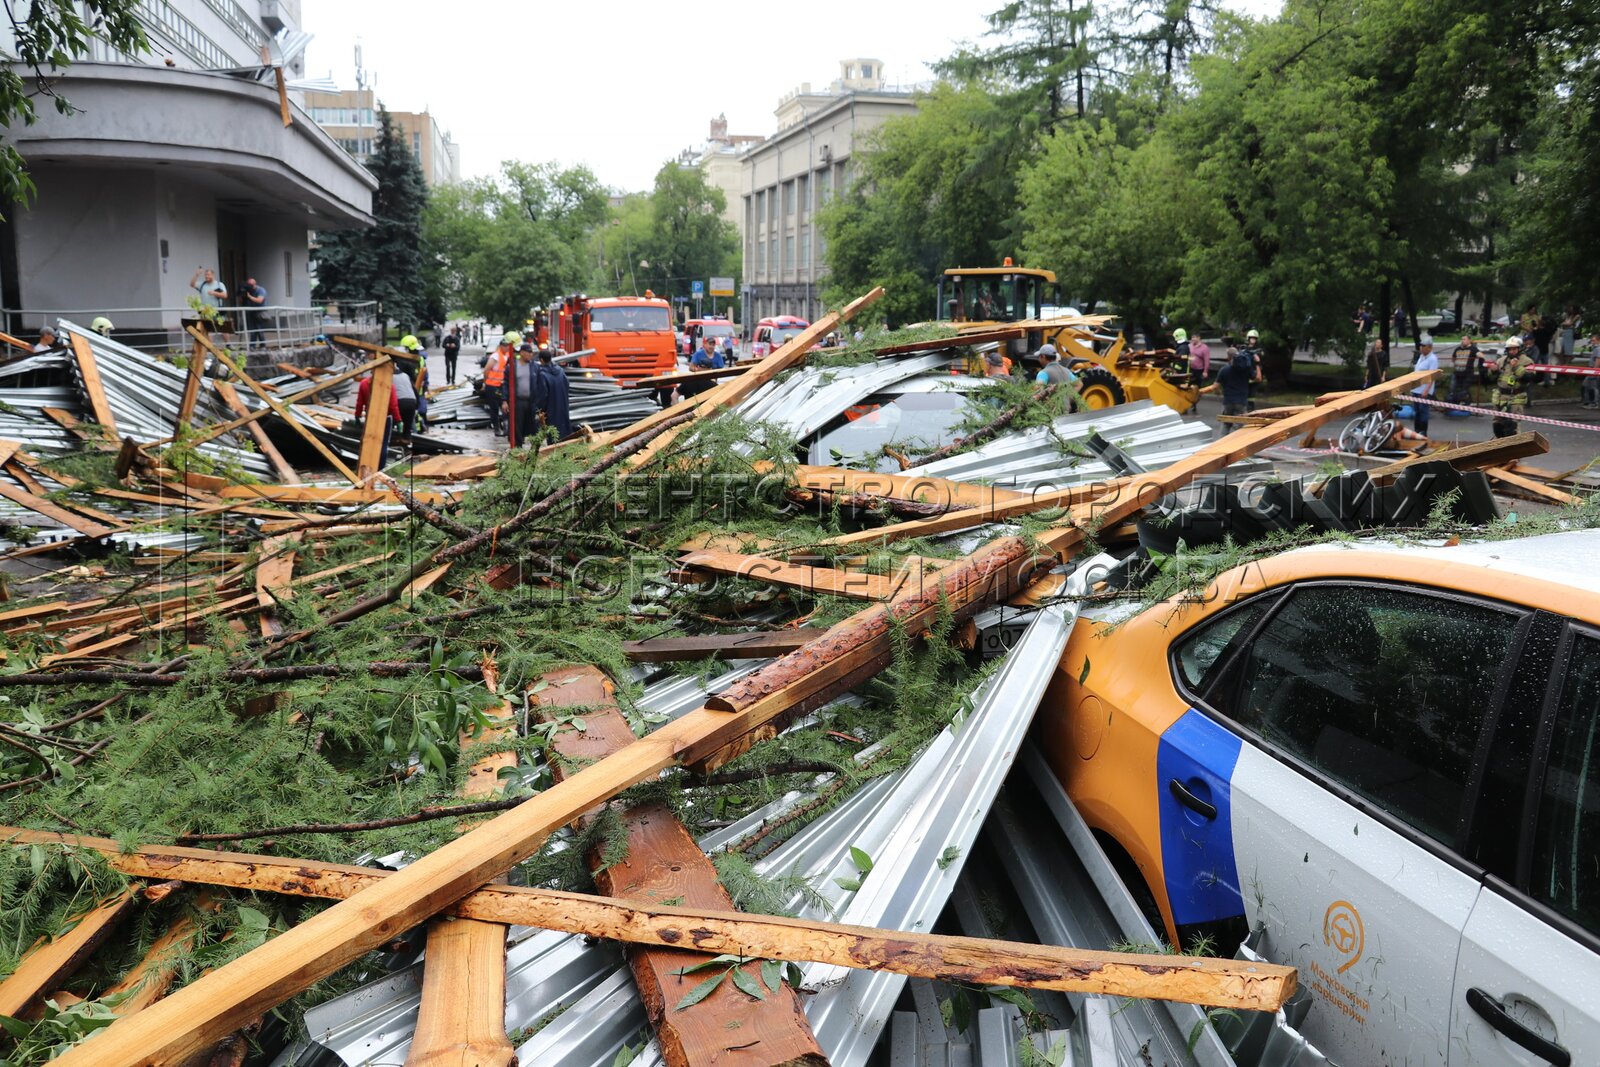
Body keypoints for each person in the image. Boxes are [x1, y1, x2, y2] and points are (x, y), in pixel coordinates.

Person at [1489, 336, 1535, 437]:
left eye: (1514, 349)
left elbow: (1528, 378)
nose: (1512, 351)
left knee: (1512, 427)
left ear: (1520, 348)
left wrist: (1516, 367)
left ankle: (1514, 449)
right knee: (1497, 425)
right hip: (1500, 397)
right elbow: (1490, 378)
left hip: (1515, 397)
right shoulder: (1501, 360)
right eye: (1510, 349)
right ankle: (1499, 448)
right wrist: (1493, 371)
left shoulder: (1527, 361)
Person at [354, 370, 401, 468]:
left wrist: (357, 416)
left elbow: (360, 402)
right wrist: (398, 420)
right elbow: (393, 405)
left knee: (369, 443)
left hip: (370, 417)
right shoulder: (388, 385)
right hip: (385, 418)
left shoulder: (364, 384)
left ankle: (368, 466)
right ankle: (380, 468)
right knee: (383, 444)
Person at [480, 331, 517, 436]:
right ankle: (497, 429)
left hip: (503, 386)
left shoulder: (508, 355)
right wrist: (485, 383)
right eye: (505, 346)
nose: (507, 348)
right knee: (494, 409)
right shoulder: (495, 356)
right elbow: (486, 370)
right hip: (492, 386)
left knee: (506, 408)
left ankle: (506, 428)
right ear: (501, 346)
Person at [507, 344, 540, 447]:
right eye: (528, 352)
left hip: (532, 402)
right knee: (518, 425)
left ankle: (535, 449)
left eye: (532, 353)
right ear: (521, 353)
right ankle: (518, 447)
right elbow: (505, 384)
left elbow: (539, 383)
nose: (531, 355)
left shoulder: (535, 366)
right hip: (518, 401)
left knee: (533, 426)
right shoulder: (513, 366)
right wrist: (504, 400)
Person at [537, 347, 571, 439]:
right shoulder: (560, 370)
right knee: (564, 433)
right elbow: (567, 385)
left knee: (553, 434)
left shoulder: (542, 374)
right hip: (563, 406)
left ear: (541, 360)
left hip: (551, 409)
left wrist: (540, 410)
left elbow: (543, 395)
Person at [1411, 335, 1438, 436]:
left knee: (1423, 411)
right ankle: (1417, 431)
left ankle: (1423, 431)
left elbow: (1432, 376)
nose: (1421, 348)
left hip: (1424, 390)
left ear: (1429, 347)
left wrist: (1426, 390)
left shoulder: (1432, 359)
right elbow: (1416, 371)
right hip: (1416, 389)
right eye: (1421, 346)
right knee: (1417, 411)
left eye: (1423, 346)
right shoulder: (1421, 357)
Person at [391, 347, 418, 440]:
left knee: (392, 424)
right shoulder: (405, 375)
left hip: (399, 402)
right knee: (407, 429)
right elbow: (414, 390)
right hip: (412, 401)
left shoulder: (389, 377)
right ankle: (409, 445)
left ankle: (395, 443)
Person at [240, 277, 267, 350]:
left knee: (259, 329)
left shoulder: (261, 290)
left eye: (250, 285)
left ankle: (263, 345)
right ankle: (252, 346)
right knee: (252, 330)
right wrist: (243, 297)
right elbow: (243, 302)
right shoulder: (248, 291)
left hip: (259, 312)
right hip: (251, 312)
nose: (249, 286)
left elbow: (259, 300)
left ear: (254, 284)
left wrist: (249, 296)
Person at [1584, 332, 1600, 410]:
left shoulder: (1598, 348)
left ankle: (1595, 403)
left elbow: (1598, 359)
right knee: (1587, 385)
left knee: (1594, 387)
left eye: (1593, 341)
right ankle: (1589, 402)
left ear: (1598, 340)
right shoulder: (1595, 348)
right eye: (1592, 341)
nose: (1592, 342)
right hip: (1591, 369)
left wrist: (1594, 370)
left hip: (1594, 370)